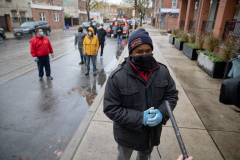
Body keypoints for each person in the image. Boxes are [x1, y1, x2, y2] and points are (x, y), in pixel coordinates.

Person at [103, 28, 179, 160]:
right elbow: (111, 108)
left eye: (148, 51)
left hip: (150, 134)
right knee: (123, 158)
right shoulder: (117, 77)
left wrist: (162, 113)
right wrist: (140, 118)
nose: (144, 54)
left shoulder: (162, 72)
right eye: (139, 51)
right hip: (126, 135)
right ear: (131, 52)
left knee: (144, 157)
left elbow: (171, 95)